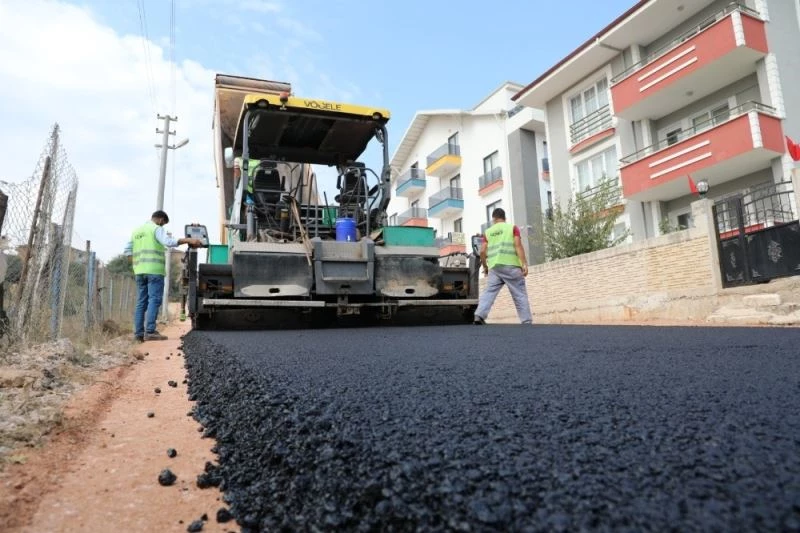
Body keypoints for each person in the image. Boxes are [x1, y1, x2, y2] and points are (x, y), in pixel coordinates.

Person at [124, 210, 202, 342]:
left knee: (141, 302)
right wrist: (188, 240)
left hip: (139, 272)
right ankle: (150, 331)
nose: (162, 226)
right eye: (163, 224)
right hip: (154, 271)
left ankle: (138, 334)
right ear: (160, 220)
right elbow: (168, 241)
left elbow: (127, 251)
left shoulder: (136, 231)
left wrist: (137, 266)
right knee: (154, 300)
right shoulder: (156, 229)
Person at [473, 208, 532, 325]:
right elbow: (518, 246)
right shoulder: (512, 228)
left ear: (494, 219)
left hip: (495, 268)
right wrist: (524, 263)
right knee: (519, 294)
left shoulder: (488, 232)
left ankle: (479, 315)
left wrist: (485, 267)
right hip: (512, 266)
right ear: (504, 218)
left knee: (489, 292)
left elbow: (483, 251)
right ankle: (526, 321)